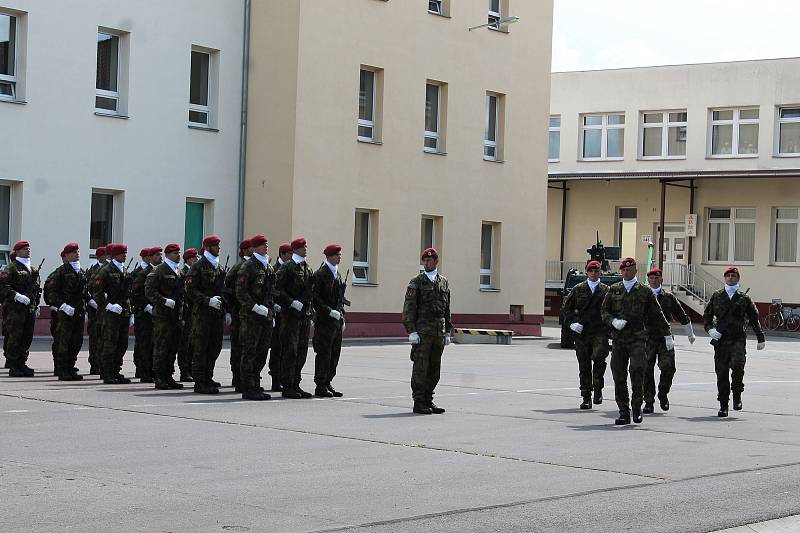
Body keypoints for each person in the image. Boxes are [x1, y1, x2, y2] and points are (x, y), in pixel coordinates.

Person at [601, 258, 671, 425]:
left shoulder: (644, 291)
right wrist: (613, 321)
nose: (626, 272)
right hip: (618, 340)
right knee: (618, 375)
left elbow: (657, 314)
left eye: (629, 269)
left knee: (637, 372)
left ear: (635, 271)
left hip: (639, 339)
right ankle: (624, 411)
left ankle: (637, 408)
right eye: (623, 270)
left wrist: (667, 335)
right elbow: (604, 311)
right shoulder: (614, 289)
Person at [703, 266, 765, 417]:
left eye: (733, 275)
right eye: (728, 275)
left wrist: (760, 337)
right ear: (724, 278)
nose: (730, 278)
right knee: (721, 373)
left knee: (738, 367)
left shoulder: (744, 298)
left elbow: (754, 318)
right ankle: (723, 405)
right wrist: (710, 330)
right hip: (721, 341)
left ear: (738, 278)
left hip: (737, 338)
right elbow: (707, 316)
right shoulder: (717, 296)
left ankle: (737, 395)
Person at [402, 247, 452, 415]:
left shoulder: (443, 282)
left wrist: (447, 332)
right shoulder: (416, 282)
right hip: (422, 334)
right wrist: (411, 331)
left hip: (438, 333)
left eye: (430, 260)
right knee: (420, 368)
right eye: (424, 260)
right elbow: (409, 308)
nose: (426, 263)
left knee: (434, 369)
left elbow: (447, 309)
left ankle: (429, 399)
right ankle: (418, 401)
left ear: (436, 262)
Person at [643, 267, 695, 413]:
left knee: (668, 368)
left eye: (657, 278)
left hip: (665, 338)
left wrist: (690, 333)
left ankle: (663, 393)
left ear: (661, 280)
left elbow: (681, 314)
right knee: (646, 371)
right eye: (651, 278)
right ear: (648, 280)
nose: (654, 280)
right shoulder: (642, 295)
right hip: (646, 338)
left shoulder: (668, 297)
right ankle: (648, 401)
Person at [561, 260, 609, 409]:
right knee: (584, 365)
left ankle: (598, 389)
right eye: (591, 271)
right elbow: (566, 309)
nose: (594, 273)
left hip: (600, 331)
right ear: (586, 272)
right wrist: (572, 323)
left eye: (596, 271)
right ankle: (586, 396)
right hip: (582, 332)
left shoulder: (606, 290)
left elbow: (613, 309)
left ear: (601, 272)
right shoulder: (578, 289)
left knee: (600, 360)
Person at [235, 234, 275, 401]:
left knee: (262, 352)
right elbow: (240, 292)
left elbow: (271, 294)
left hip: (265, 317)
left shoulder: (268, 268)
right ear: (255, 247)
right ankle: (248, 387)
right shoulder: (248, 266)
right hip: (251, 317)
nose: (265, 247)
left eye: (266, 244)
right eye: (262, 245)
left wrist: (272, 314)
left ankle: (256, 384)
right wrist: (255, 307)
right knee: (249, 352)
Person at [186, 236, 226, 394]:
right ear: (208, 247)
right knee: (201, 348)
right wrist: (207, 300)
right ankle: (200, 381)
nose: (219, 248)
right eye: (216, 246)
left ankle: (208, 377)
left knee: (215, 347)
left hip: (217, 314)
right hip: (202, 314)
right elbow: (190, 290)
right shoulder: (198, 266)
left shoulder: (219, 267)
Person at [275, 237, 314, 399]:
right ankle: (287, 385)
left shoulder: (307, 268)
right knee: (290, 351)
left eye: (306, 246)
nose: (305, 249)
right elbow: (276, 289)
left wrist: (311, 313)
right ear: (296, 249)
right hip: (290, 316)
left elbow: (311, 293)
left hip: (303, 316)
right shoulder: (287, 267)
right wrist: (291, 302)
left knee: (302, 351)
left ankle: (296, 383)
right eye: (303, 247)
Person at [43, 243, 87, 381]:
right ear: (66, 255)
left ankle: (70, 367)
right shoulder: (60, 272)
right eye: (73, 252)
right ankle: (62, 370)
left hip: (78, 312)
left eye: (78, 251)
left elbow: (85, 292)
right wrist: (62, 306)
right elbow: (50, 293)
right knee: (64, 341)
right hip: (65, 313)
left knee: (76, 341)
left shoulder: (82, 272)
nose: (76, 254)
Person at [90, 243, 132, 384]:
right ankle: (107, 373)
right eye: (122, 253)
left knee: (122, 343)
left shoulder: (124, 270)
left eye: (125, 252)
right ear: (114, 255)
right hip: (110, 314)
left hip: (123, 312)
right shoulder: (105, 270)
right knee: (109, 343)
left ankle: (116, 371)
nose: (125, 255)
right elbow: (96, 292)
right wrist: (108, 305)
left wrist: (129, 310)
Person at [145, 243, 185, 390]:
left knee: (172, 348)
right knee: (161, 347)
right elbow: (149, 291)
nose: (178, 255)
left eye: (179, 253)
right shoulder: (159, 270)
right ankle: (160, 378)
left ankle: (169, 376)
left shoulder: (178, 272)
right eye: (175, 253)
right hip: (162, 317)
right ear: (167, 254)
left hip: (176, 316)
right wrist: (164, 301)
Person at [0, 241, 41, 377]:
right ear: (17, 251)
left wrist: (36, 305)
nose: (28, 250)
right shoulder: (11, 268)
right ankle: (13, 365)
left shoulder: (33, 270)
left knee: (26, 337)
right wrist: (16, 295)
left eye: (28, 248)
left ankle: (22, 363)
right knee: (14, 337)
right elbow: (3, 286)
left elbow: (36, 289)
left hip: (29, 309)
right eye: (24, 249)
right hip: (15, 309)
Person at [312, 244, 346, 398]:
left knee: (334, 353)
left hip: (336, 322)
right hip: (325, 322)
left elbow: (340, 300)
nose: (339, 257)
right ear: (329, 256)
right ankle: (320, 385)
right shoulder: (320, 274)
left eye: (339, 255)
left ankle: (328, 381)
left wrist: (342, 317)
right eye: (337, 255)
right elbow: (316, 298)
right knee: (324, 353)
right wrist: (328, 311)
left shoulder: (337, 274)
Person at [225, 238, 252, 391]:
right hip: (239, 314)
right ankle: (238, 378)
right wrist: (231, 308)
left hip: (248, 314)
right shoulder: (239, 267)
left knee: (248, 347)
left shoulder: (253, 265)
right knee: (239, 347)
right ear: (244, 250)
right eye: (250, 247)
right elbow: (228, 290)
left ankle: (246, 377)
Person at [267, 243, 292, 392]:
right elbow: (270, 291)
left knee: (286, 348)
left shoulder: (291, 269)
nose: (291, 256)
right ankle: (276, 379)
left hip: (288, 315)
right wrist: (273, 306)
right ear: (282, 254)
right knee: (276, 348)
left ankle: (284, 377)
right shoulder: (275, 270)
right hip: (277, 315)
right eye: (289, 253)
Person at [131, 247, 157, 383]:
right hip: (143, 314)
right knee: (143, 343)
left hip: (155, 314)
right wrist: (146, 306)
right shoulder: (140, 273)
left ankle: (150, 369)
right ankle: (142, 370)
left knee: (153, 343)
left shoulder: (156, 271)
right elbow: (136, 293)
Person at [86, 246, 109, 375]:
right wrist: (92, 302)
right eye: (105, 255)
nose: (108, 257)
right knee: (95, 338)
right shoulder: (93, 270)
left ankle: (103, 363)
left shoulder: (108, 269)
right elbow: (88, 288)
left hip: (106, 309)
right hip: (95, 311)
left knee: (104, 338)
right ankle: (95, 364)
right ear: (100, 256)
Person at [177, 247, 199, 381]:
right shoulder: (183, 272)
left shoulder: (194, 271)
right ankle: (184, 371)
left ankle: (191, 369)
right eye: (195, 258)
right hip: (185, 313)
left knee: (193, 344)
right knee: (184, 344)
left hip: (195, 313)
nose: (197, 260)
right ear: (189, 259)